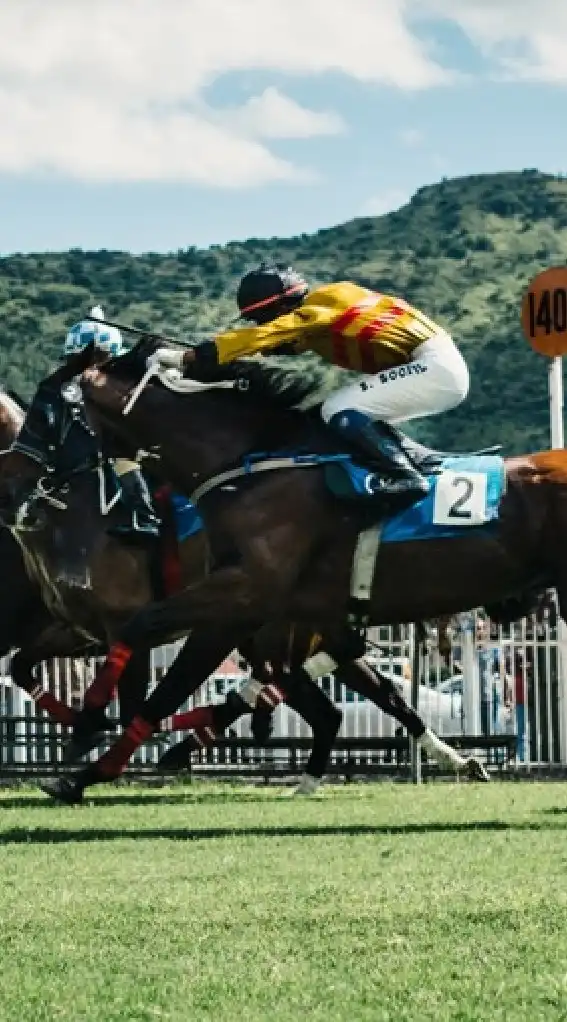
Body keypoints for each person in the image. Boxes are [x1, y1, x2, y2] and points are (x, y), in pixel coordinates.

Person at [153, 264, 470, 502]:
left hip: (433, 366)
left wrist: (189, 357)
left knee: (339, 409)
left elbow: (271, 334)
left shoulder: (326, 299)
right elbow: (289, 340)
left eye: (261, 317)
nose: (261, 325)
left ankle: (406, 477)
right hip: (432, 366)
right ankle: (414, 460)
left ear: (279, 306)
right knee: (344, 415)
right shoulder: (322, 315)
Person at [12, 305, 160, 538]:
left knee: (123, 461)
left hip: (135, 444)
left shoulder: (121, 382)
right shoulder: (71, 388)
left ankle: (144, 517)